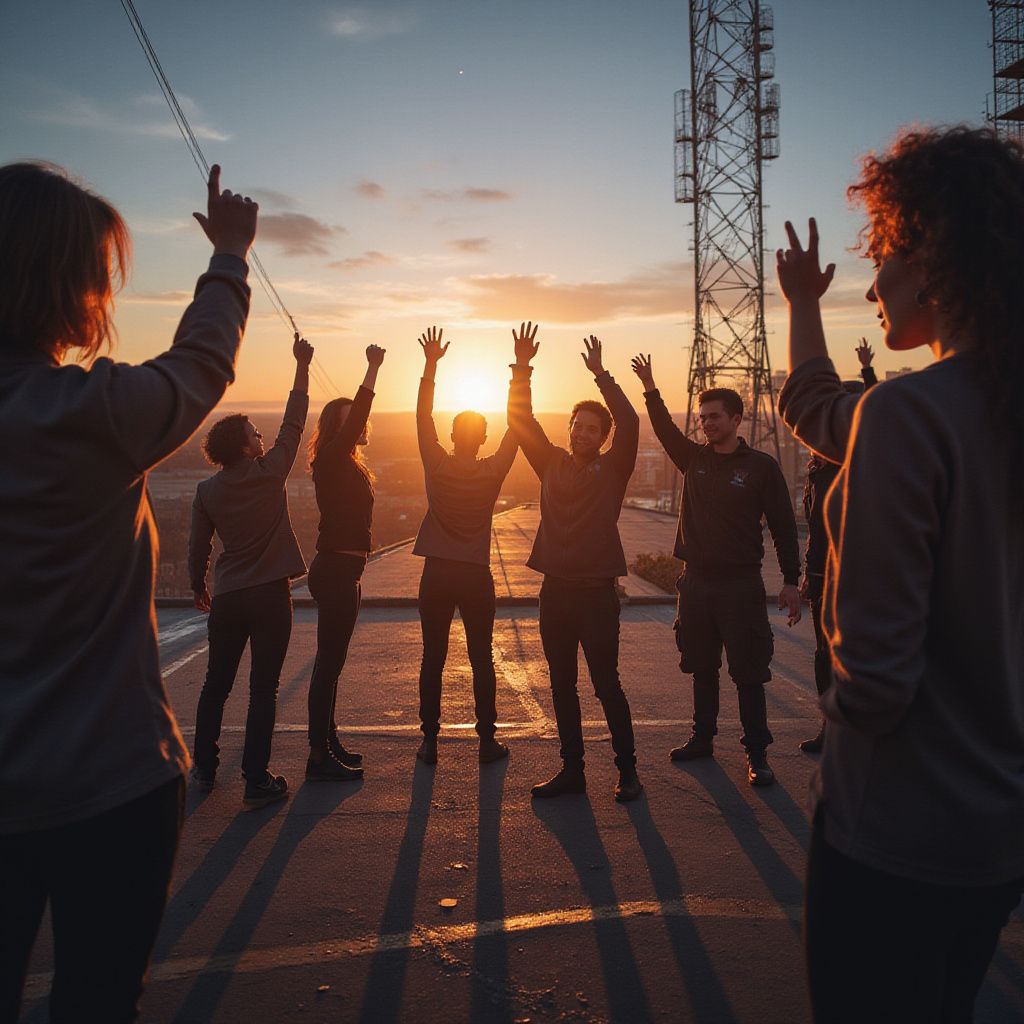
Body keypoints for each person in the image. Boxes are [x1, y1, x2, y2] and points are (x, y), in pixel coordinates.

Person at [776, 127, 1024, 1022]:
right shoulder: (965, 408)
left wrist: (837, 744)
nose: (872, 283)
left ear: (931, 258)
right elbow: (817, 405)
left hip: (895, 835)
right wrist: (802, 303)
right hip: (999, 835)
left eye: (881, 254)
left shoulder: (912, 416)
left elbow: (875, 685)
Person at [0, 162, 256, 1022]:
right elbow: (200, 362)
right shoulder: (93, 413)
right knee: (100, 1001)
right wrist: (227, 258)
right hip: (111, 784)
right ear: (67, 288)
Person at [630, 356, 801, 787]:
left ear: (736, 419)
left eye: (713, 417)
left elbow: (783, 528)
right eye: (702, 417)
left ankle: (757, 755)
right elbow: (667, 428)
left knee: (748, 672)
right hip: (696, 584)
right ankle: (701, 739)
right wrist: (650, 386)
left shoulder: (761, 467)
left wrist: (791, 581)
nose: (705, 423)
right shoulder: (693, 459)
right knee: (701, 666)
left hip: (740, 585)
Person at [507, 323, 643, 802]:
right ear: (568, 431)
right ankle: (572, 771)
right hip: (556, 593)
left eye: (592, 429)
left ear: (603, 437)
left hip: (597, 595)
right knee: (562, 686)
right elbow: (520, 418)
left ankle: (627, 772)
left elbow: (630, 421)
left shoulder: (615, 468)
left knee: (607, 685)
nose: (584, 434)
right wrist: (522, 368)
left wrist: (602, 375)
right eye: (578, 427)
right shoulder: (550, 462)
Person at [188, 333, 313, 807]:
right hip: (269, 597)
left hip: (228, 596)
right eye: (255, 434)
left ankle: (203, 767)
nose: (262, 437)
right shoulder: (269, 472)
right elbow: (295, 425)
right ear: (244, 446)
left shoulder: (206, 491)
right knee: (264, 688)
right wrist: (301, 365)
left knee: (215, 685)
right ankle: (255, 779)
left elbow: (198, 546)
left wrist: (198, 585)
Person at [413, 326, 519, 766]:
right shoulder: (492, 472)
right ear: (483, 439)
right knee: (481, 660)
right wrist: (521, 369)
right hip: (474, 575)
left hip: (437, 572)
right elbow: (518, 427)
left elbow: (421, 416)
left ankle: (430, 742)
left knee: (433, 658)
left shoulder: (436, 462)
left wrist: (431, 364)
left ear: (455, 437)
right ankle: (486, 741)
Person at [304, 344, 385, 781]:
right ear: (336, 428)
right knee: (327, 664)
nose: (361, 422)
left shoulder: (350, 465)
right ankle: (318, 754)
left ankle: (328, 740)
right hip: (334, 570)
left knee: (332, 664)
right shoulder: (332, 460)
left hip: (346, 571)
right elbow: (357, 416)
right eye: (350, 417)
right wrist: (371, 368)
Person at [798, 339, 877, 754]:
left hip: (863, 577)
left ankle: (864, 734)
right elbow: (816, 530)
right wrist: (809, 577)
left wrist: (866, 374)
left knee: (862, 656)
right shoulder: (818, 471)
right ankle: (831, 729)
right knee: (824, 657)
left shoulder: (864, 462)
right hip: (825, 579)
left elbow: (878, 424)